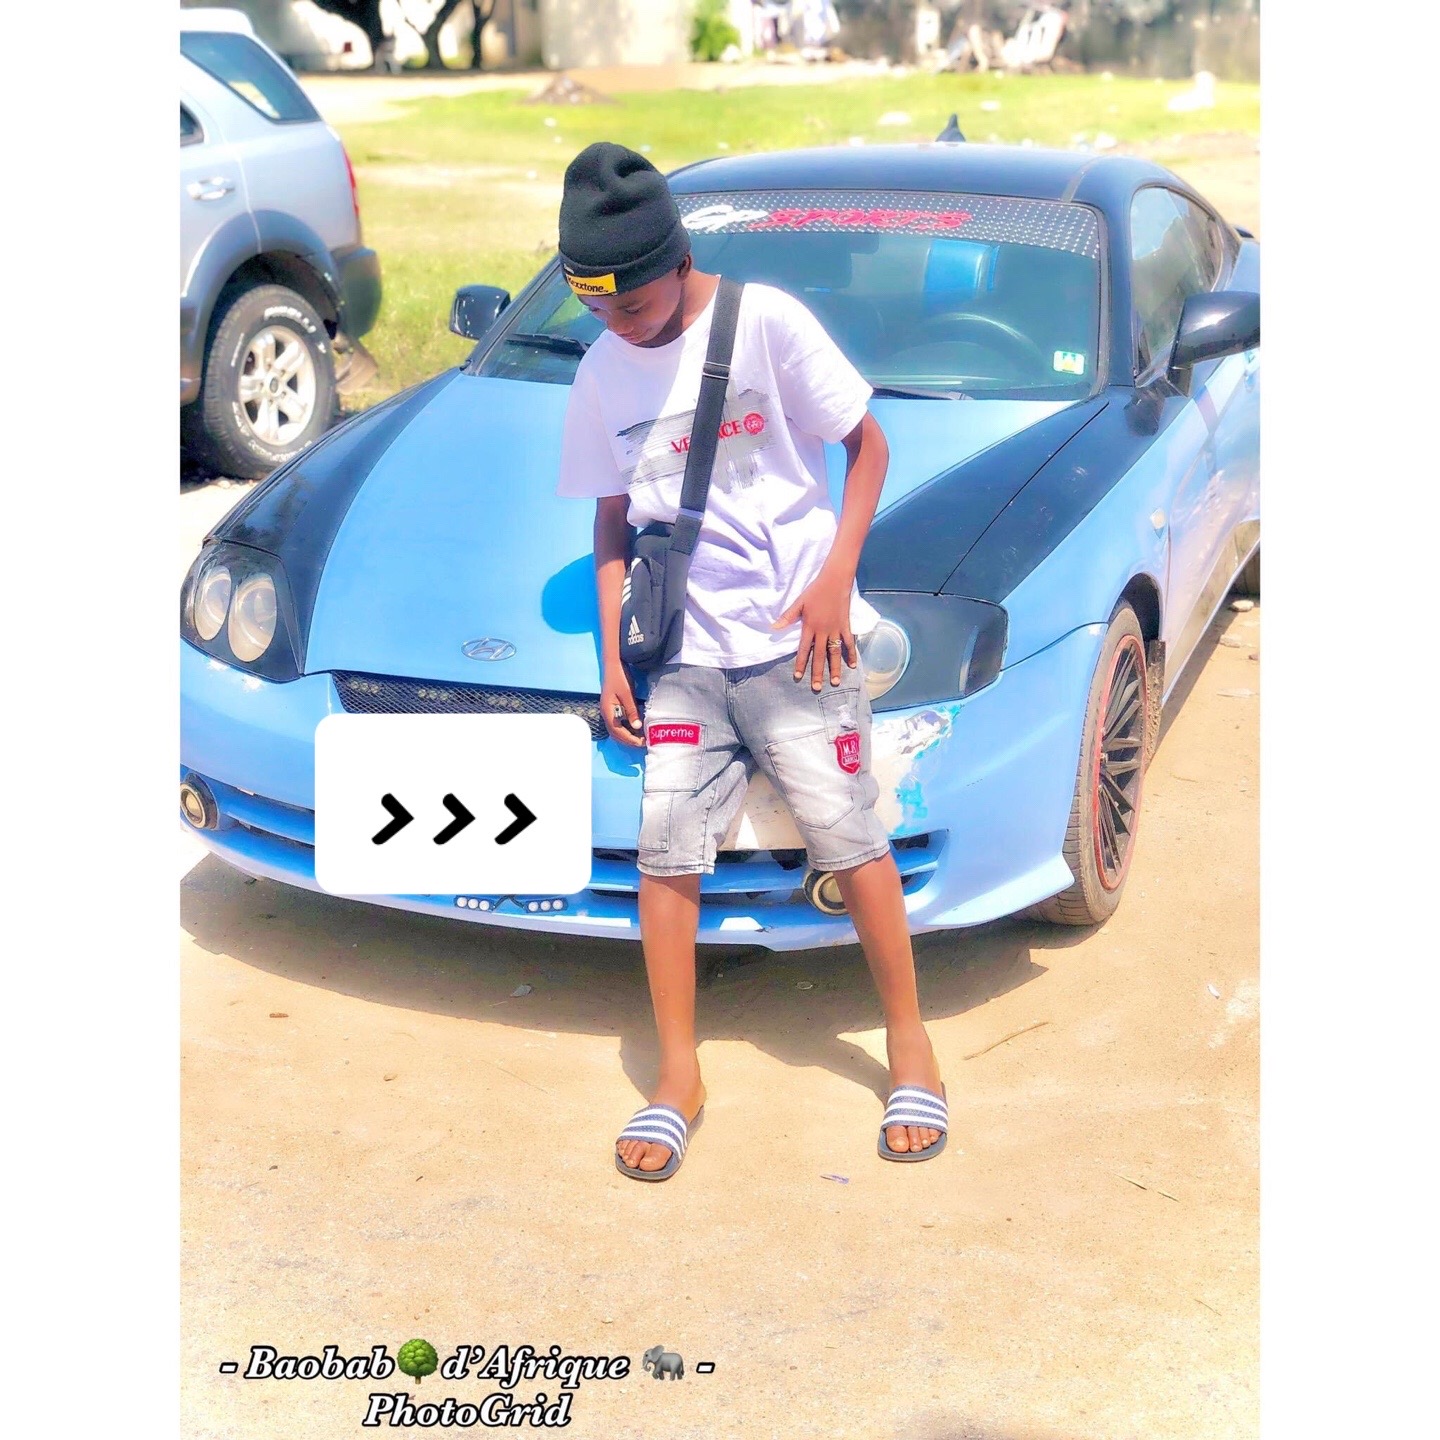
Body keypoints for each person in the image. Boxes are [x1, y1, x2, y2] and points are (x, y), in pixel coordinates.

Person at [554, 142, 947, 1180]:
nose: (618, 324)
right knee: (666, 856)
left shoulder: (764, 321)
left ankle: (911, 1046)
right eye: (597, 308)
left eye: (634, 304)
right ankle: (677, 1076)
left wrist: (836, 577)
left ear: (677, 261)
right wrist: (614, 660)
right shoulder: (600, 370)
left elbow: (868, 446)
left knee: (851, 840)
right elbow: (611, 522)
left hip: (796, 645)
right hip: (685, 657)